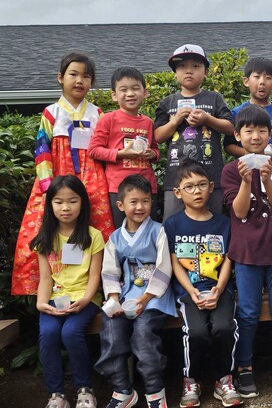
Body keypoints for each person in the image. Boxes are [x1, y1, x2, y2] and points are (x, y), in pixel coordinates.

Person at [13, 52, 113, 296]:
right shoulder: (51, 113)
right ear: (60, 78)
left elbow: (103, 149)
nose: (79, 80)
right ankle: (54, 288)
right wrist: (48, 186)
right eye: (73, 74)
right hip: (58, 176)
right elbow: (42, 149)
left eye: (86, 76)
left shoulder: (97, 113)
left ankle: (99, 287)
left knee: (98, 229)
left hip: (93, 178)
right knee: (47, 227)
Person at [220, 105, 272, 399]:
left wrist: (265, 178)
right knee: (249, 313)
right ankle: (244, 367)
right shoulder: (230, 170)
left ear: (270, 134)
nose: (255, 136)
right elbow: (239, 212)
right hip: (247, 253)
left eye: (262, 130)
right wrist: (245, 179)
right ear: (237, 135)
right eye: (249, 131)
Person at [164, 160, 242, 407]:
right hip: (189, 293)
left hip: (220, 290)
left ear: (211, 187)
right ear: (177, 193)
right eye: (189, 187)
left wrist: (218, 289)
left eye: (201, 185)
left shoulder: (223, 223)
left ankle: (224, 379)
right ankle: (191, 380)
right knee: (195, 332)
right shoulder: (173, 224)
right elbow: (175, 263)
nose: (196, 191)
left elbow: (228, 259)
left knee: (224, 327)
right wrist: (192, 291)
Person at [95, 175, 176, 408]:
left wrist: (145, 298)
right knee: (111, 329)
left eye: (146, 201)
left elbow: (163, 268)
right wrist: (113, 299)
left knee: (143, 333)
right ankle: (122, 389)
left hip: (153, 298)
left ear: (152, 202)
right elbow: (109, 271)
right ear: (120, 205)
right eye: (133, 202)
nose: (140, 207)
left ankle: (154, 390)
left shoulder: (158, 231)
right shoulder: (115, 238)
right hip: (126, 296)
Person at [30, 175, 104, 408]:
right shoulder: (44, 239)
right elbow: (45, 278)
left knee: (71, 333)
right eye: (59, 201)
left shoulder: (93, 236)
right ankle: (57, 395)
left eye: (72, 201)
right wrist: (42, 304)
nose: (65, 207)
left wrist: (84, 300)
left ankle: (85, 390)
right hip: (55, 300)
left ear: (82, 203)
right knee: (49, 335)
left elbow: (94, 276)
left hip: (86, 298)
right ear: (50, 204)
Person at [154, 44, 234, 219]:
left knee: (212, 225)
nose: (188, 71)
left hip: (211, 177)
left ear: (205, 72)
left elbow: (231, 128)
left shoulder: (214, 98)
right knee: (173, 227)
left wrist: (207, 119)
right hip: (176, 178)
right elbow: (158, 137)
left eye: (196, 66)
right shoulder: (167, 103)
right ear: (175, 73)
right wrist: (175, 120)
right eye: (182, 67)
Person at [88, 66, 160, 227]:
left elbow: (156, 150)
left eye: (135, 88)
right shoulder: (108, 119)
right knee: (120, 233)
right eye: (123, 90)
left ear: (145, 92)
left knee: (149, 232)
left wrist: (152, 154)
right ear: (114, 95)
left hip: (147, 187)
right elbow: (93, 150)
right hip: (119, 188)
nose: (130, 94)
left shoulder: (148, 122)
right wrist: (120, 154)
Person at [223, 57, 272, 161]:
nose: (262, 82)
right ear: (246, 81)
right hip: (247, 169)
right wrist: (252, 155)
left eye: (268, 78)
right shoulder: (237, 113)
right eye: (257, 77)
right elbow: (229, 145)